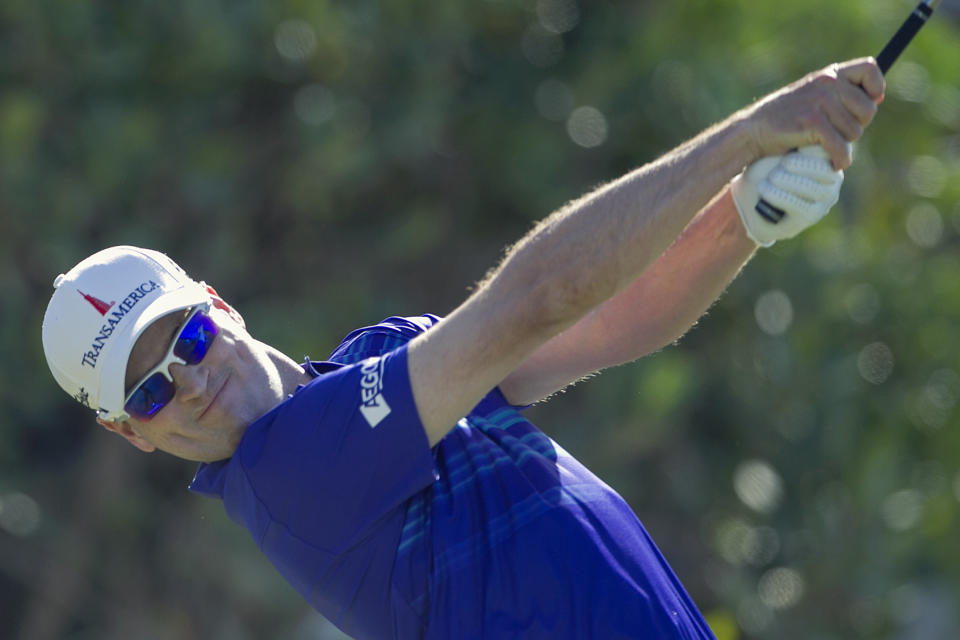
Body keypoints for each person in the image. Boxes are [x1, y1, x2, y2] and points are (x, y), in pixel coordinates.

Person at [41, 58, 884, 639]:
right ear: (130, 433)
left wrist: (743, 218)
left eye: (186, 338)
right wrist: (746, 135)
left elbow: (611, 324)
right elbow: (539, 298)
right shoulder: (287, 474)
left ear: (219, 305)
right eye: (148, 392)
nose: (187, 383)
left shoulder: (378, 358)